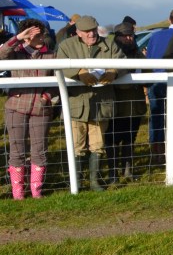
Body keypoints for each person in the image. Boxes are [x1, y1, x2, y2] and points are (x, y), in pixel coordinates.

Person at [55, 15, 126, 192]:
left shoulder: (109, 44)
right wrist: (77, 72)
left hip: (102, 103)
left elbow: (124, 62)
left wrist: (114, 71)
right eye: (86, 32)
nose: (91, 34)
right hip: (76, 102)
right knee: (76, 144)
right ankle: (77, 181)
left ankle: (94, 181)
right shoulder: (66, 45)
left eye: (93, 30)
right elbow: (59, 65)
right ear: (78, 32)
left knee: (98, 144)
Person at [0, 18, 56, 199]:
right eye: (37, 34)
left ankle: (36, 191)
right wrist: (17, 38)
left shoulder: (51, 54)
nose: (42, 37)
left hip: (41, 108)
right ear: (26, 36)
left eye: (43, 33)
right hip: (16, 107)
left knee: (39, 150)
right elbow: (1, 54)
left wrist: (46, 96)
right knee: (17, 150)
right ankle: (18, 193)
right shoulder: (16, 52)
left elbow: (57, 80)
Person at [106, 22, 146, 185]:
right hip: (115, 103)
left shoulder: (137, 53)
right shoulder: (110, 53)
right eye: (126, 36)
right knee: (112, 140)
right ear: (118, 37)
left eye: (131, 36)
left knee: (130, 138)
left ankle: (128, 170)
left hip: (134, 103)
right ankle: (113, 172)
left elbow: (147, 70)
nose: (129, 38)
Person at [145, 8, 173, 166]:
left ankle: (157, 152)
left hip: (156, 80)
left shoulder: (156, 36)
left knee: (156, 116)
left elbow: (148, 59)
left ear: (169, 20)